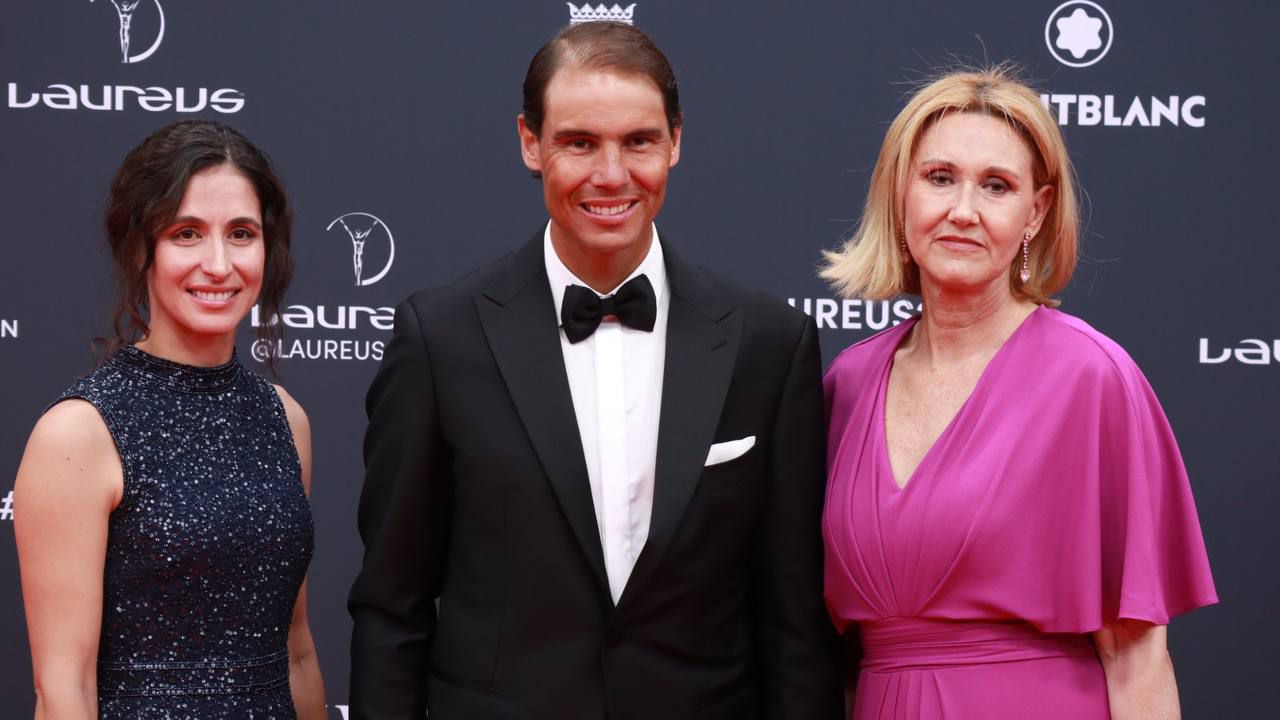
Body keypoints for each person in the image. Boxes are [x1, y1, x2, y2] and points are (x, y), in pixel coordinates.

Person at [348, 21, 842, 720]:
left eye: (638, 141)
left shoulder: (768, 344)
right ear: (530, 142)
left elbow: (794, 624)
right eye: (579, 143)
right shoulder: (441, 338)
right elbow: (391, 609)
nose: (611, 175)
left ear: (675, 142)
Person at [819, 65, 1218, 719]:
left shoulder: (1089, 379)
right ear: (899, 193)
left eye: (996, 186)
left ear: (1036, 212)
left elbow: (1137, 661)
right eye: (939, 177)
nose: (963, 210)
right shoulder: (848, 384)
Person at [13, 120, 325, 719]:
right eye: (187, 233)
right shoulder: (80, 433)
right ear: (141, 249)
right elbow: (63, 690)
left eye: (241, 233)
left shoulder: (286, 419)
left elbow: (298, 653)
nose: (219, 264)